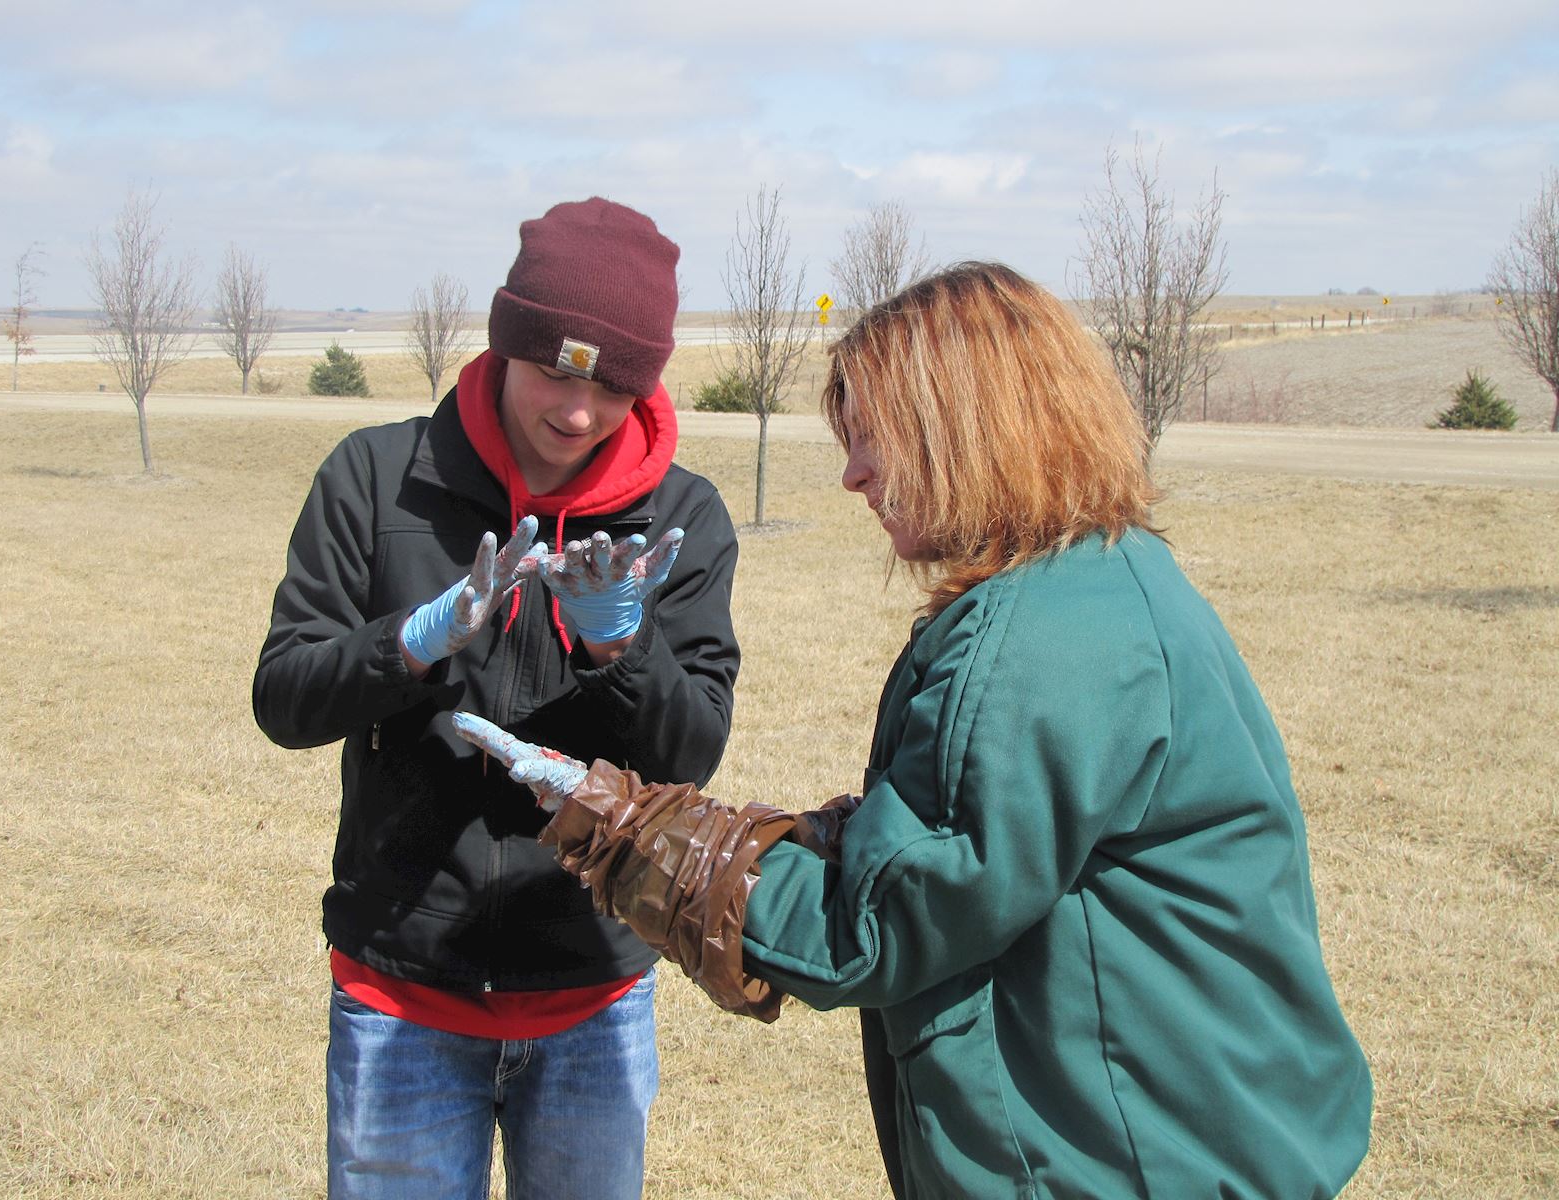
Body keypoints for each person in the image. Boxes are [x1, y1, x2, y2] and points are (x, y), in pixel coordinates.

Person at [455, 262, 1374, 1199]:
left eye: (871, 440)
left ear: (967, 432)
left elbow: (882, 919)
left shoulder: (1041, 637)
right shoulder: (1107, 578)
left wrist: (621, 827)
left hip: (1129, 1160)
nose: (851, 474)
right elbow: (959, 837)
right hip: (1190, 1131)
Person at [252, 196, 741, 1200]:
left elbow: (690, 749)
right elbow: (284, 699)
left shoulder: (680, 519)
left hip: (593, 999)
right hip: (401, 994)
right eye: (555, 373)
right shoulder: (376, 481)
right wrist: (411, 644)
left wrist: (621, 644)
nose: (576, 413)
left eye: (612, 389)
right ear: (503, 341)